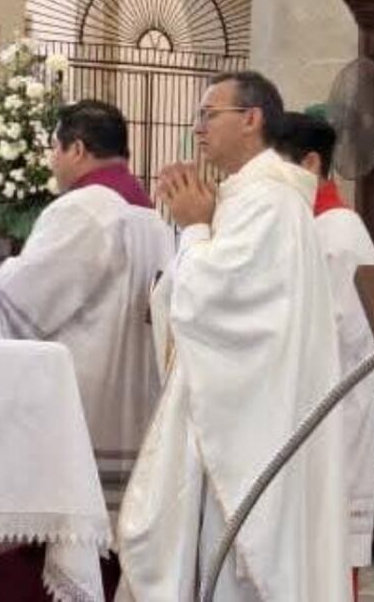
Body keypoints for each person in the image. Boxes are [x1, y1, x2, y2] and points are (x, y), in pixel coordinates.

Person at [116, 71, 350, 601]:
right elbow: (190, 297)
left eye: (209, 114)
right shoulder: (247, 196)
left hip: (251, 423)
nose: (198, 128)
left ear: (251, 119)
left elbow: (212, 302)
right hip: (234, 409)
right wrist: (198, 227)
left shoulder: (270, 201)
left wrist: (195, 226)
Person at [0, 100, 173, 600]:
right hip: (133, 408)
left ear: (76, 148)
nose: (52, 161)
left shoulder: (83, 209)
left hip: (82, 404)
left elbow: (26, 301)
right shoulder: (152, 218)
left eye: (55, 148)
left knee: (51, 549)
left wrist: (0, 274)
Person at [275, 111, 374, 597]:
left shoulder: (337, 232)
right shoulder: (309, 226)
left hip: (326, 421)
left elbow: (325, 336)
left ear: (310, 165)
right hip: (303, 417)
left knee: (324, 564)